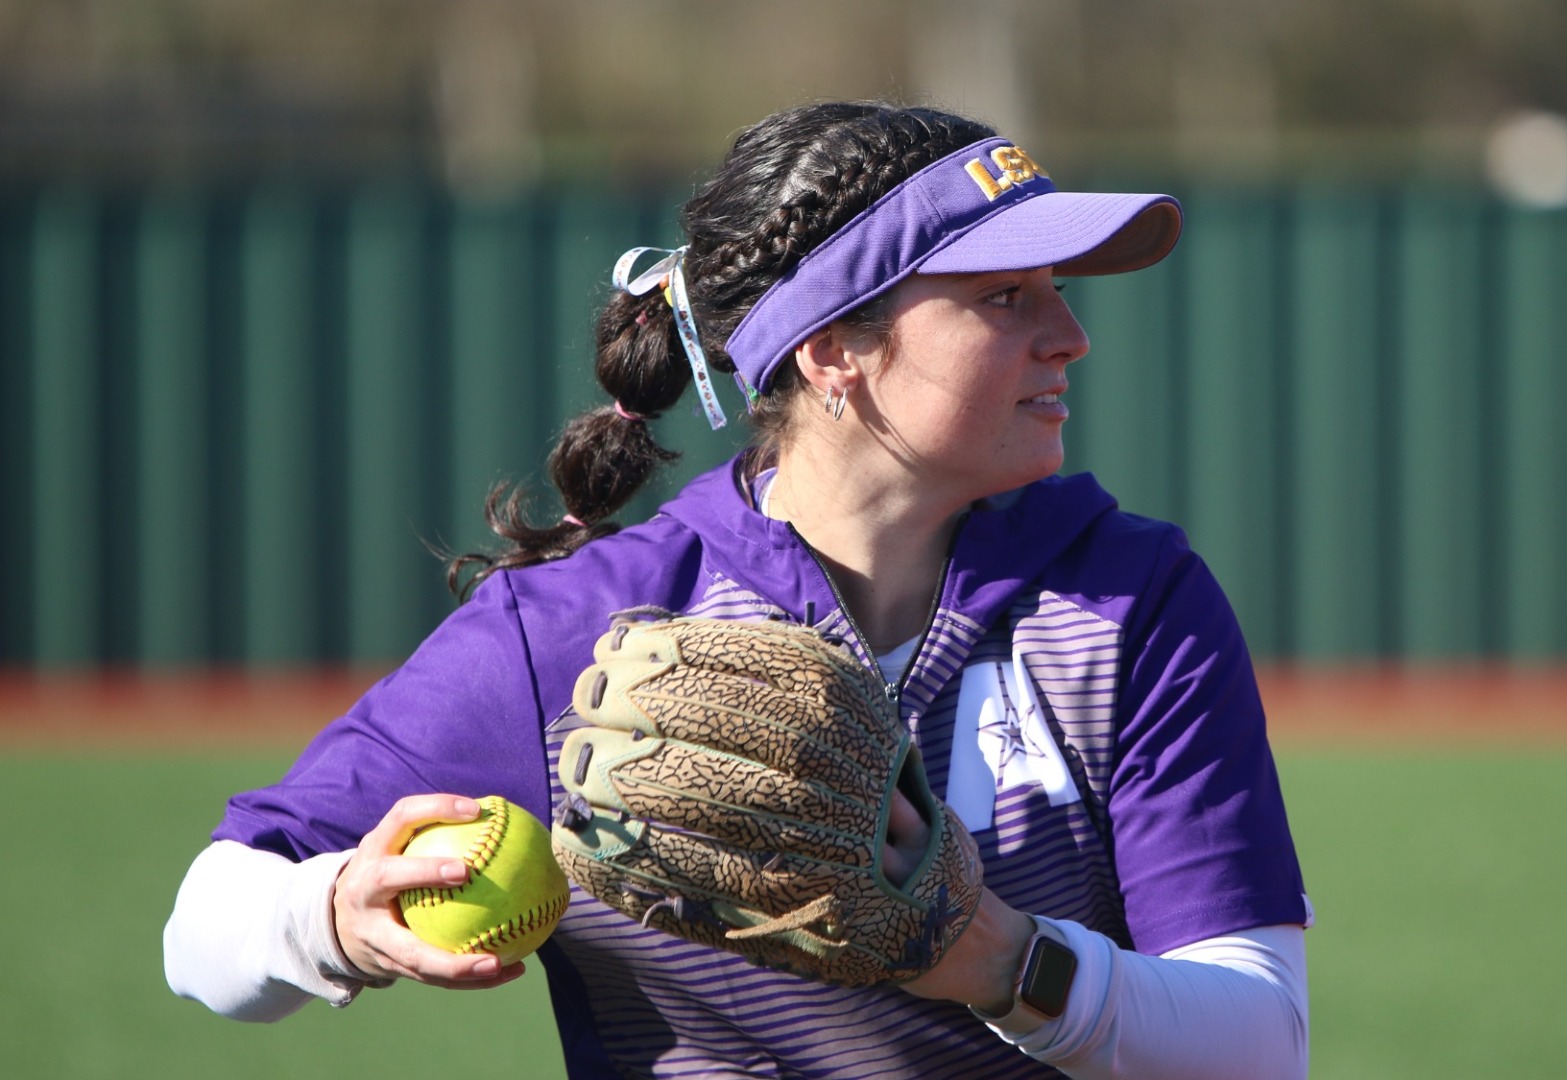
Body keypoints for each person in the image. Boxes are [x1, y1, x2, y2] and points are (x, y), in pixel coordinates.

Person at [165, 101, 1312, 1079]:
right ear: (831, 351)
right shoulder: (580, 633)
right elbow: (202, 937)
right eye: (1005, 296)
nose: (1071, 336)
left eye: (1053, 289)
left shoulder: (1129, 598)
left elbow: (1259, 1039)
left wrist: (1001, 964)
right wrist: (329, 919)